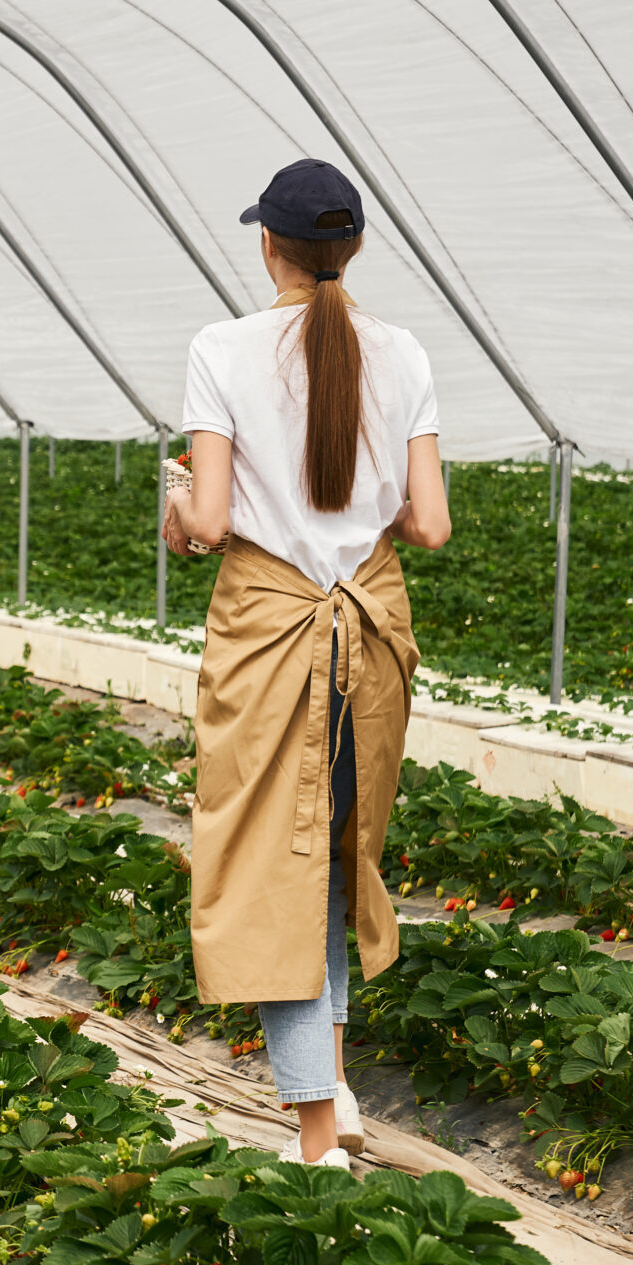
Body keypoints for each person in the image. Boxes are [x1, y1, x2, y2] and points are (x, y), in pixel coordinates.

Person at [162, 158, 451, 1169]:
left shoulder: (222, 348)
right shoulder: (403, 351)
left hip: (269, 627)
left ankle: (316, 1139)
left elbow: (203, 520)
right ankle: (334, 1086)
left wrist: (175, 514)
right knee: (333, 851)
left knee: (268, 864)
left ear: (267, 245)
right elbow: (430, 526)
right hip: (369, 627)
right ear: (355, 247)